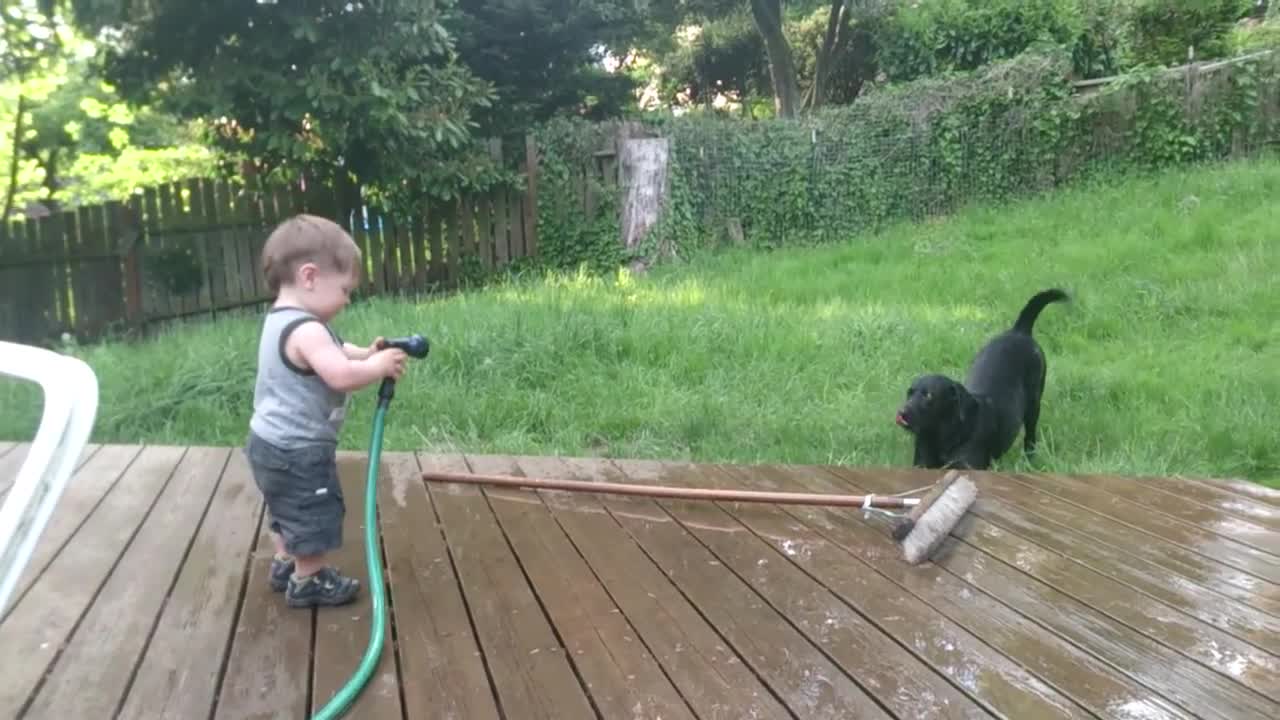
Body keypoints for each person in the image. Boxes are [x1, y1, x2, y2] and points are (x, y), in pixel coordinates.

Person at [243, 213, 407, 607]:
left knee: (287, 507)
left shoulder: (284, 319)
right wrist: (377, 368)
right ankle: (308, 579)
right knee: (313, 508)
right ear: (310, 277)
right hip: (298, 450)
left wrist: (366, 353)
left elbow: (336, 352)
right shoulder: (308, 329)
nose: (348, 299)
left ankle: (286, 560)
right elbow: (339, 374)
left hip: (267, 444)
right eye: (346, 289)